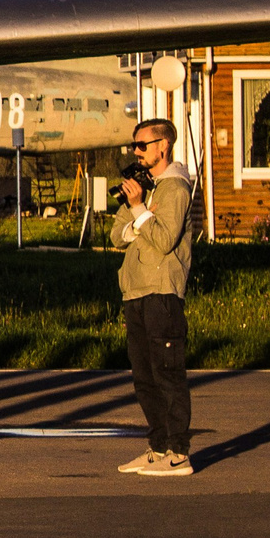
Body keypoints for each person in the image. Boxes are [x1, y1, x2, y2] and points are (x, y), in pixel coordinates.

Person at [112, 117, 197, 478]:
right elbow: (117, 235)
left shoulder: (175, 188)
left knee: (168, 374)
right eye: (134, 145)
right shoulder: (145, 190)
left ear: (163, 146)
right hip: (136, 291)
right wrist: (140, 213)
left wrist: (138, 212)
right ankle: (158, 446)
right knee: (144, 377)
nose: (136, 152)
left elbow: (163, 241)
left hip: (162, 293)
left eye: (142, 145)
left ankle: (179, 453)